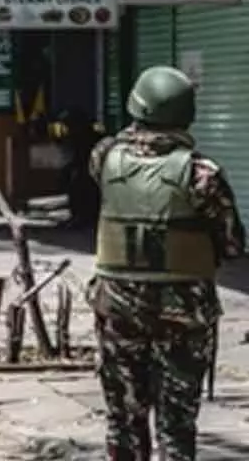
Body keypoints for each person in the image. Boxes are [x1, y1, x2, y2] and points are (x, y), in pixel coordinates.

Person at [88, 65, 244, 461]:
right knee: (176, 422)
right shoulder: (202, 173)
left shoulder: (104, 158)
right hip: (183, 311)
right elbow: (232, 244)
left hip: (118, 307)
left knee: (124, 419)